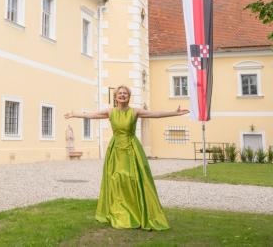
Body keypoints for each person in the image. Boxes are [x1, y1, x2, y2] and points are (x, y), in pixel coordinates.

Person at [64, 85, 189, 230]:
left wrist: (174, 113)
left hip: (132, 150)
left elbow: (155, 114)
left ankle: (136, 210)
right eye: (120, 93)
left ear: (129, 97)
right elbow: (92, 115)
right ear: (115, 96)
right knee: (117, 179)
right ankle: (120, 210)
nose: (122, 95)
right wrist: (75, 114)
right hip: (116, 150)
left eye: (125, 93)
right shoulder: (110, 112)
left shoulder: (135, 111)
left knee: (132, 178)